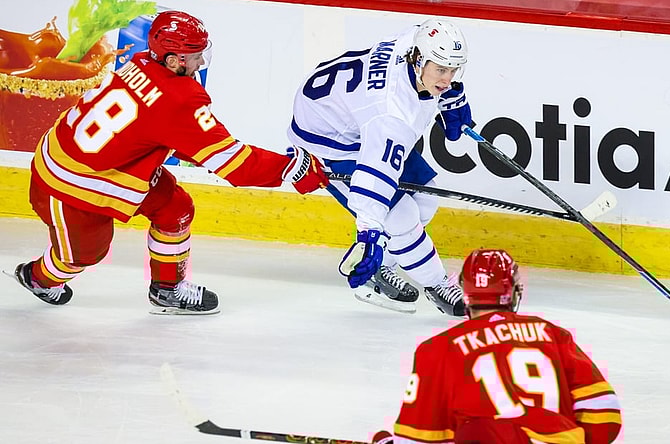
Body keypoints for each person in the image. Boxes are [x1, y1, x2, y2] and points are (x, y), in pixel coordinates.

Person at [10, 10, 328, 315]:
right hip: (69, 185)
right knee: (82, 255)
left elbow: (170, 132)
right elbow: (236, 164)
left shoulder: (140, 62)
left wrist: (208, 148)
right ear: (174, 61)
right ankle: (38, 278)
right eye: (194, 56)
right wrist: (290, 167)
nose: (201, 61)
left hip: (106, 165)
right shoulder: (178, 99)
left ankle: (168, 289)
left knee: (174, 208)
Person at [287, 17, 474, 317]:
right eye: (441, 70)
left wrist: (450, 95)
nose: (447, 77)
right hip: (330, 141)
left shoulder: (413, 44)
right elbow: (375, 180)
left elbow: (421, 30)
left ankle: (384, 263)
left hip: (354, 120)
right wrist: (369, 234)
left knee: (426, 196)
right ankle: (437, 284)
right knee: (400, 218)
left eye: (453, 70)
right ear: (419, 61)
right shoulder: (391, 116)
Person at [372, 249, 622, 444]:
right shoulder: (554, 335)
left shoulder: (437, 349)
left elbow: (418, 438)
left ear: (465, 293)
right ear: (514, 292)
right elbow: (605, 414)